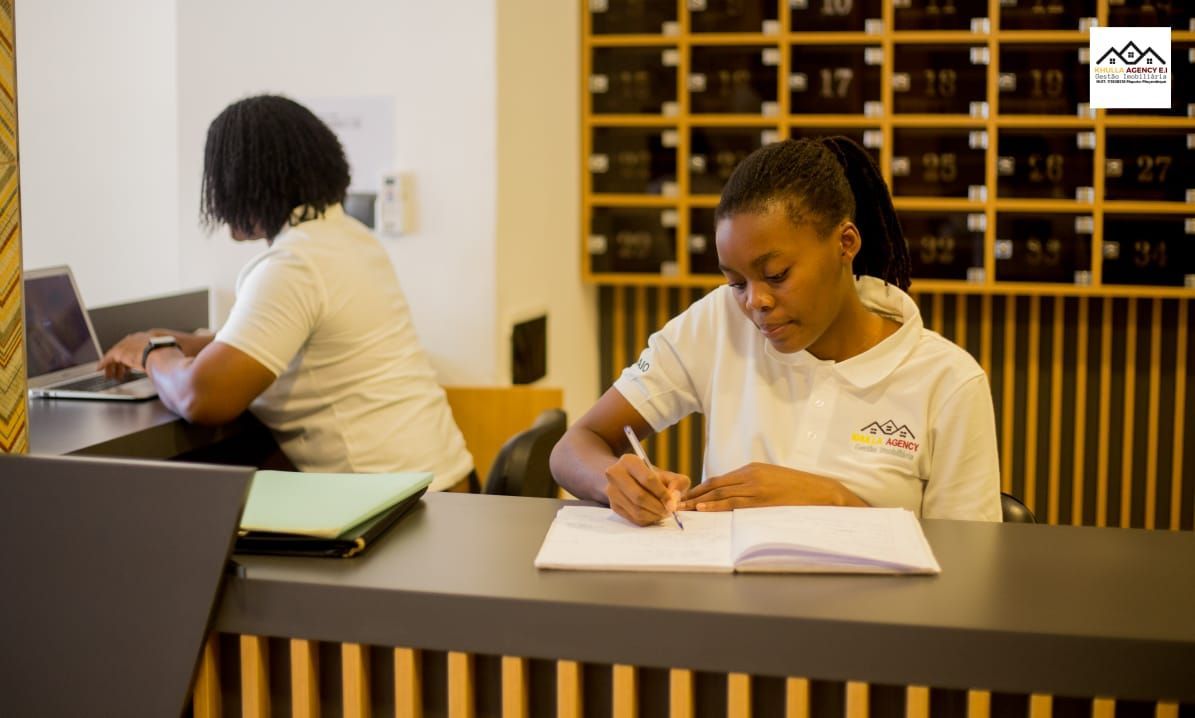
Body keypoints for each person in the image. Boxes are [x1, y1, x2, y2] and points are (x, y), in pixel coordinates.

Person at [550, 136, 1001, 524]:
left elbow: (968, 568)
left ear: (846, 243)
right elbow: (576, 445)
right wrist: (615, 484)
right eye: (736, 282)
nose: (755, 302)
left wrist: (836, 500)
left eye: (778, 275)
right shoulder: (719, 321)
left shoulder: (948, 382)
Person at [99, 95, 475, 491]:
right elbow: (277, 339)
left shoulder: (293, 265)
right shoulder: (347, 237)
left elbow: (200, 398)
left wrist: (151, 352)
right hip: (447, 486)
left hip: (393, 509)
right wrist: (184, 343)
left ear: (242, 182)